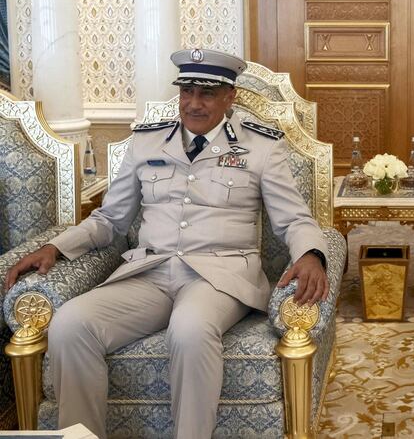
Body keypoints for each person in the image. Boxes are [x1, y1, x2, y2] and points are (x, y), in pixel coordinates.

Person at [4, 48, 330, 439]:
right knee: (70, 325)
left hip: (219, 276)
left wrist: (311, 254)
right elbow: (110, 220)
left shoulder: (261, 148)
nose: (194, 103)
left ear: (231, 97)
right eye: (187, 91)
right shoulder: (147, 143)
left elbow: (293, 218)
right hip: (151, 273)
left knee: (190, 329)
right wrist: (56, 247)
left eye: (207, 93)